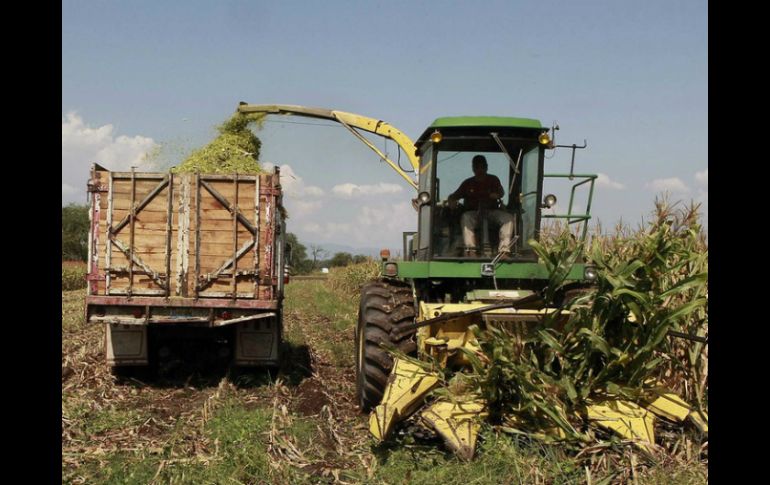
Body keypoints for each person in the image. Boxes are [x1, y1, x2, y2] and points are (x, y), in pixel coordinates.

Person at [447, 155, 515, 257]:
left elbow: (501, 193)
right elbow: (453, 197)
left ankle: (504, 250)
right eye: (477, 167)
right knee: (466, 217)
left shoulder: (493, 180)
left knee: (508, 218)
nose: (480, 170)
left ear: (486, 167)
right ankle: (471, 249)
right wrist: (451, 201)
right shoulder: (467, 183)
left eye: (482, 167)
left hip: (492, 212)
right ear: (473, 168)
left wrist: (496, 195)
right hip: (474, 214)